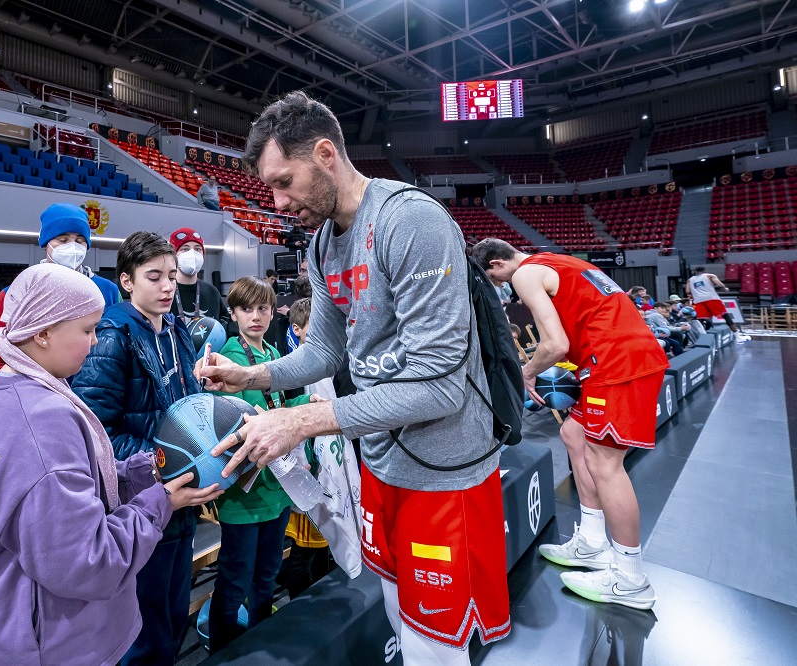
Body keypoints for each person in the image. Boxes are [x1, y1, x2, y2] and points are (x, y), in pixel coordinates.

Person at [198, 91, 510, 664]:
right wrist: (249, 375)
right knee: (396, 608)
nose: (277, 201)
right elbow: (322, 350)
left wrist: (308, 420)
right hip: (382, 456)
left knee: (434, 639)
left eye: (284, 181)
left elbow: (438, 386)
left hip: (444, 469)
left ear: (325, 153)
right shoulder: (321, 244)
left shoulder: (408, 219)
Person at [0, 264, 220, 665]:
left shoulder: (14, 388)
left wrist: (146, 472)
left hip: (18, 632)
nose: (94, 342)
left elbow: (78, 487)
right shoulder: (41, 421)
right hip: (38, 646)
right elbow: (89, 561)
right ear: (42, 332)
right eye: (87, 330)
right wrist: (160, 502)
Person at [472, 238, 670, 611]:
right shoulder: (557, 260)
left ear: (496, 265)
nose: (503, 290)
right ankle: (593, 543)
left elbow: (556, 344)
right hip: (617, 357)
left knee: (606, 464)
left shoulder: (526, 274)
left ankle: (631, 580)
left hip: (616, 364)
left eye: (495, 282)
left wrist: (526, 373)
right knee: (572, 433)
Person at [72, 232, 218, 665]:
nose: (168, 286)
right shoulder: (113, 337)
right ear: (127, 282)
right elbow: (98, 434)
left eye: (171, 276)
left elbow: (188, 411)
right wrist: (163, 464)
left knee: (173, 614)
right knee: (142, 627)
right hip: (142, 499)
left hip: (181, 495)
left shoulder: (175, 329)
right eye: (154, 277)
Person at [208, 277, 310, 652]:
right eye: (246, 309)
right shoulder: (228, 358)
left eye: (263, 308)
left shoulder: (273, 353)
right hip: (243, 491)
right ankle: (222, 651)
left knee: (267, 575)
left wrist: (310, 407)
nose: (256, 316)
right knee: (235, 578)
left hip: (278, 484)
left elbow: (279, 412)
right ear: (232, 314)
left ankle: (260, 643)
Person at [0, 202, 121, 390]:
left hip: (97, 402)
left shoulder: (107, 291)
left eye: (80, 240)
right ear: (46, 243)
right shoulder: (16, 294)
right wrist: (23, 389)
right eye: (63, 239)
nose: (72, 246)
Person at [275, 297, 336, 599]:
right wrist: (304, 458)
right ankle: (300, 597)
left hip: (328, 462)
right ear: (297, 330)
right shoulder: (291, 369)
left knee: (322, 542)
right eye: (317, 327)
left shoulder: (331, 363)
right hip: (304, 465)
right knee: (304, 547)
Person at [168, 227, 228, 325]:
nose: (192, 253)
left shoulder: (211, 292)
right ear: (174, 255)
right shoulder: (166, 290)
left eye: (197, 249)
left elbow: (225, 320)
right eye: (185, 249)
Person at [686, 266, 750, 343]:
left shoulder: (690, 280)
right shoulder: (710, 276)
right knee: (725, 316)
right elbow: (719, 284)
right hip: (711, 298)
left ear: (696, 271)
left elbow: (688, 291)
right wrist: (725, 288)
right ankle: (738, 337)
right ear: (704, 270)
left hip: (699, 300)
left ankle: (701, 341)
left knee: (701, 320)